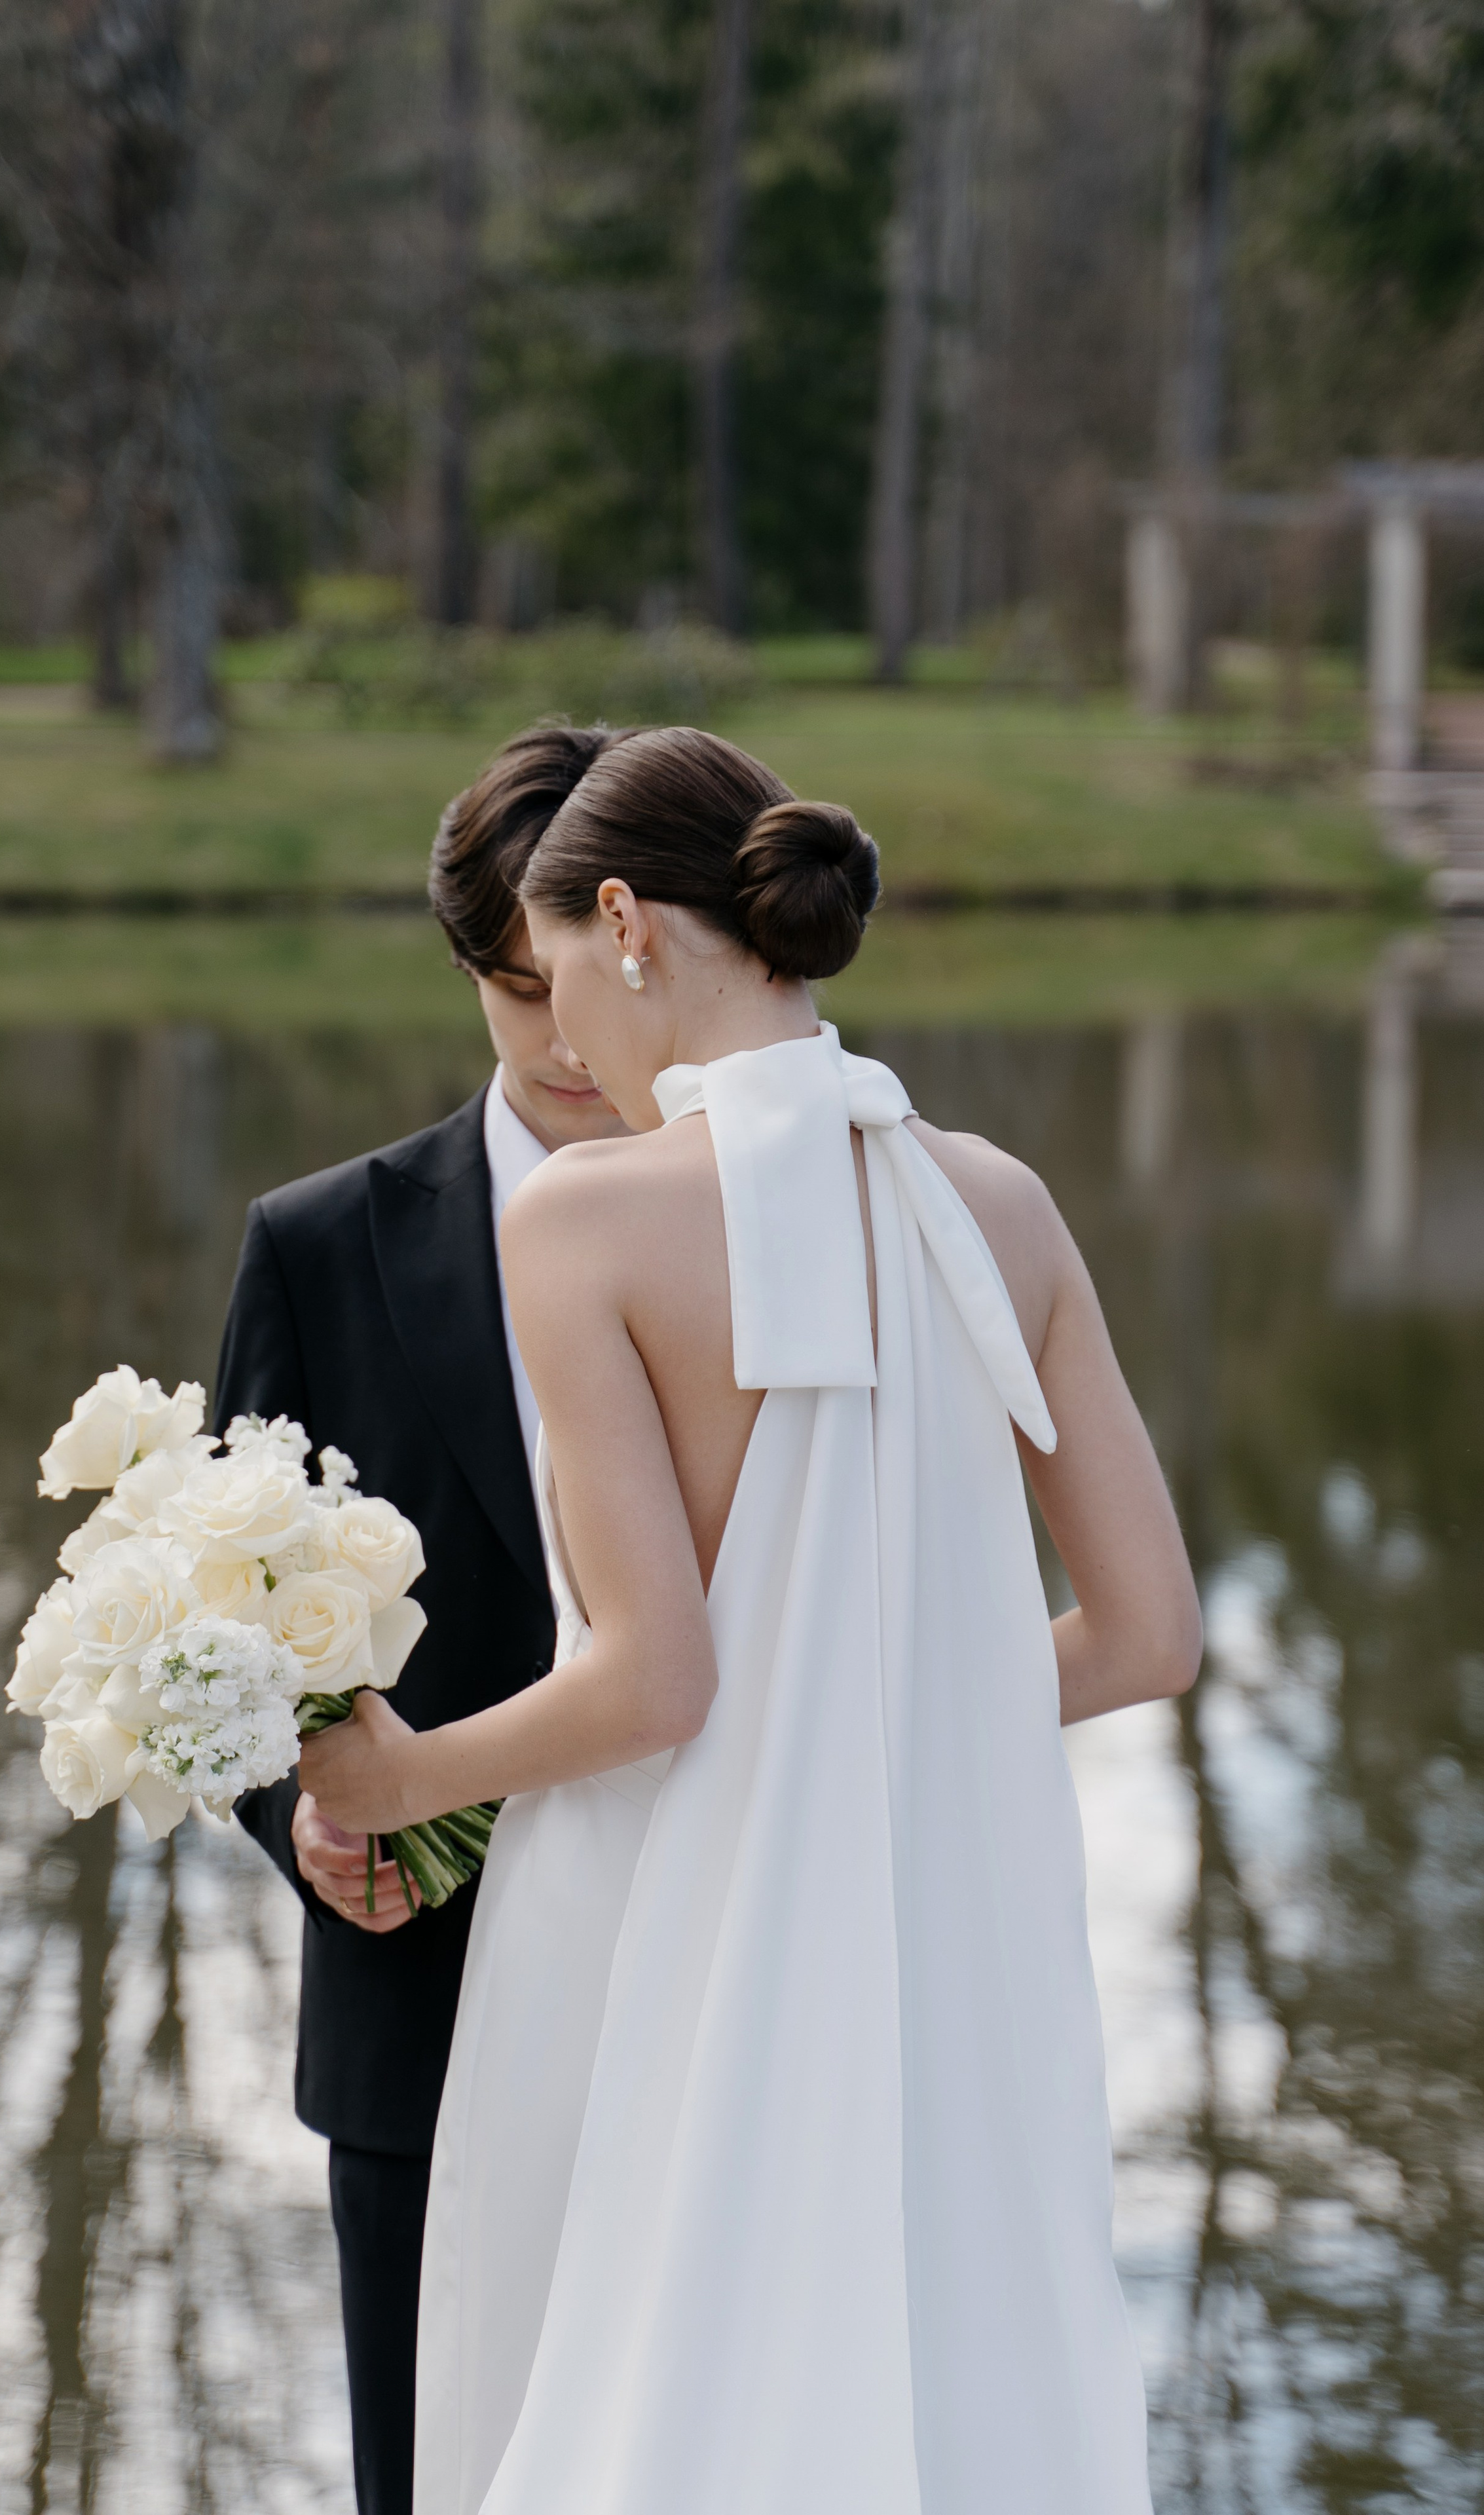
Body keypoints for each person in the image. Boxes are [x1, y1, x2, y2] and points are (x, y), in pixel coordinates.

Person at [303, 725, 1204, 2515]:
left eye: (556, 976)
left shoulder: (584, 1225)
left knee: (614, 2406)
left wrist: (402, 1779)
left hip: (635, 1931)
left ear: (625, 923)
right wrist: (864, 1731)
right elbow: (1149, 1636)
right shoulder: (999, 1203)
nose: (564, 1044)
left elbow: (657, 1680)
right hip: (911, 1931)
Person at [217, 722, 629, 2515]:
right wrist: (306, 1823)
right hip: (418, 2006)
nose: (563, 1042)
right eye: (515, 991)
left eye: (589, 985)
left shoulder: (782, 1235)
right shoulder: (320, 1246)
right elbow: (220, 1641)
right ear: (468, 967)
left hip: (708, 1982)